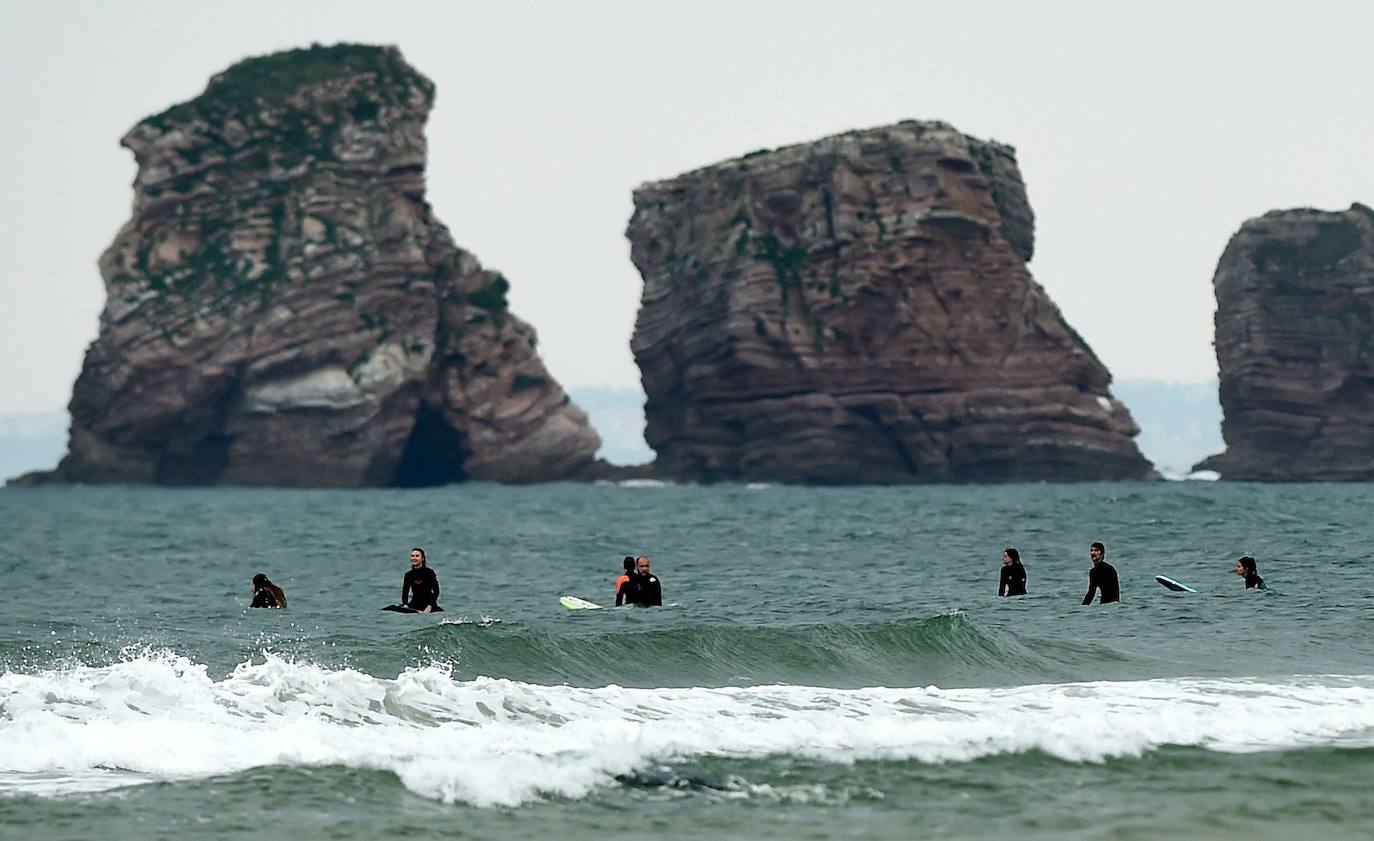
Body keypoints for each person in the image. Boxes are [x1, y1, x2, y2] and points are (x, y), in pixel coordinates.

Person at [401, 547, 442, 612]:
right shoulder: (408, 575)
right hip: (414, 605)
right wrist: (405, 604)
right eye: (412, 556)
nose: (414, 558)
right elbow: (405, 592)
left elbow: (436, 591)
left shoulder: (429, 572)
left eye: (417, 556)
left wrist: (430, 606)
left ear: (422, 558)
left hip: (429, 606)